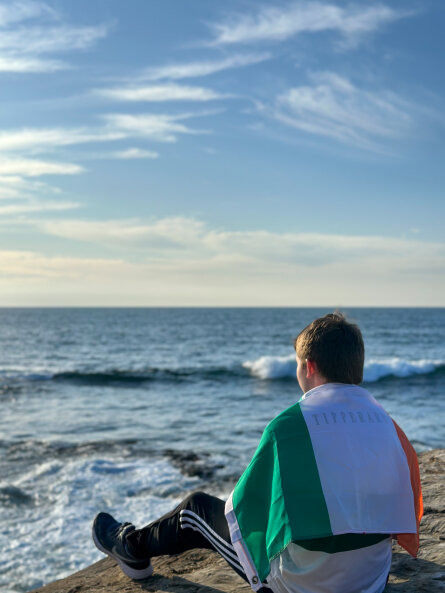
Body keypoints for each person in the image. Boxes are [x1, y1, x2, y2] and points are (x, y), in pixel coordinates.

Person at [92, 313, 422, 593]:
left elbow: (246, 514)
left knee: (196, 510)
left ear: (309, 367)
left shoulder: (288, 427)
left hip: (301, 585)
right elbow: (404, 509)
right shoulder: (390, 427)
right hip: (372, 581)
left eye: (297, 365)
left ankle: (130, 547)